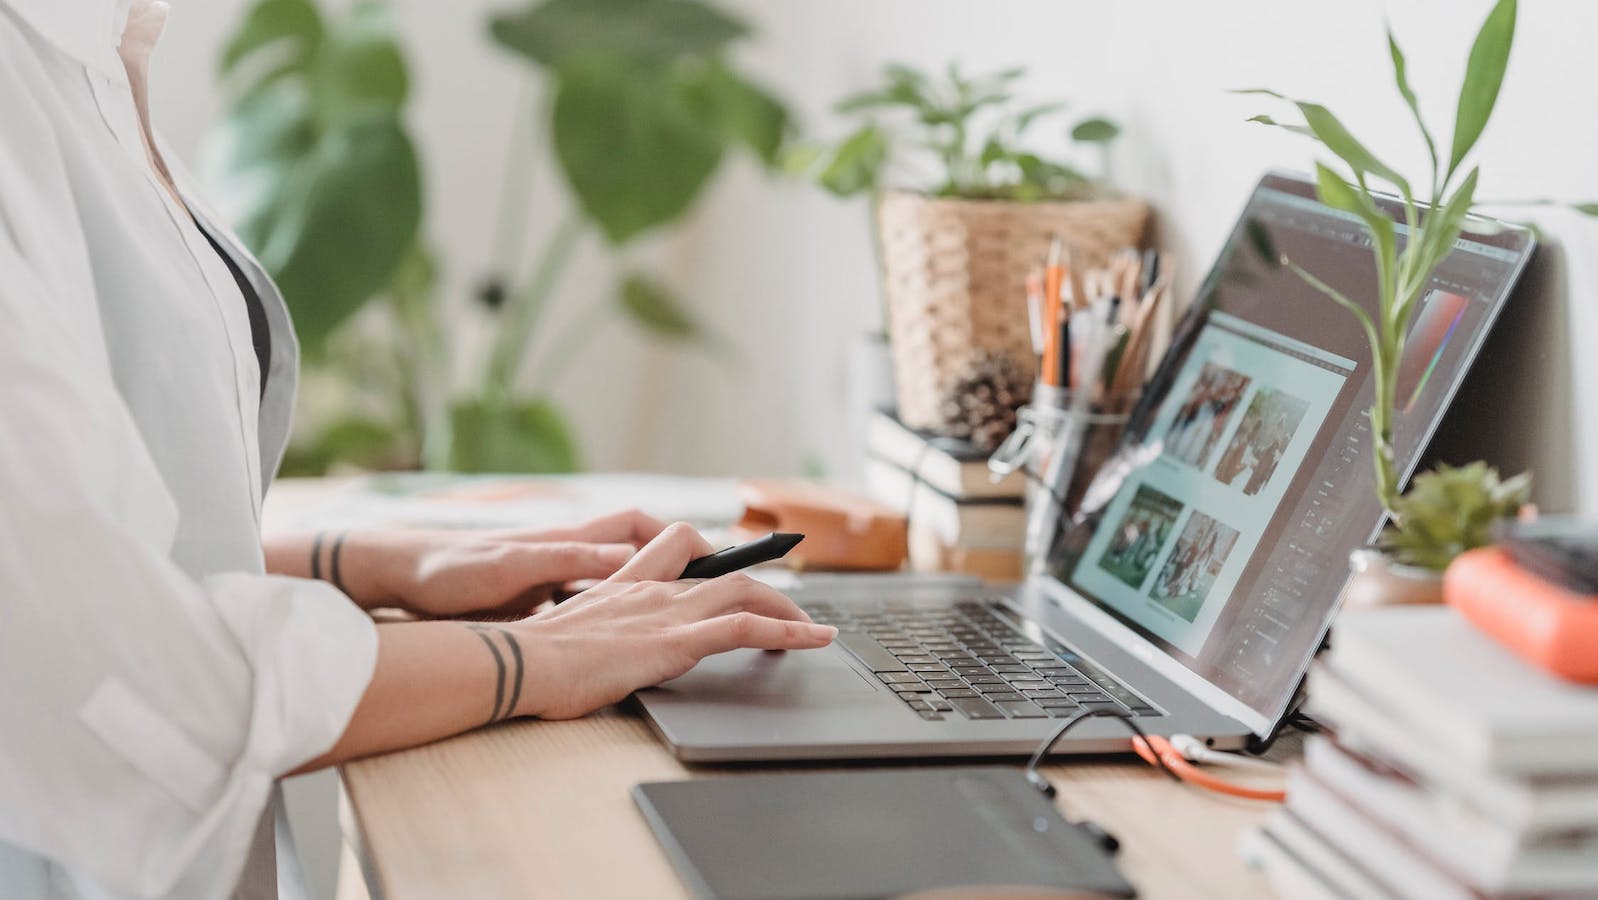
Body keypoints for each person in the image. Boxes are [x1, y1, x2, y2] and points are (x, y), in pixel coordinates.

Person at [0, 2, 837, 898]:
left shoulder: (88, 39)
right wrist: (539, 655)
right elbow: (124, 692)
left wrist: (366, 563)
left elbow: (67, 543)